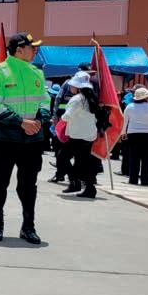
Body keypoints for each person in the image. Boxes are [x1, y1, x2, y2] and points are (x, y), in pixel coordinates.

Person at [0, 32, 51, 244]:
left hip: (32, 139)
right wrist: (21, 122)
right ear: (19, 50)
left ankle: (28, 226)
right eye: (32, 47)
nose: (35, 50)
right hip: (5, 138)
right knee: (0, 183)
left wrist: (39, 119)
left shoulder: (36, 72)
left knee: (29, 185)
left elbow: (45, 100)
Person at [60, 71, 102, 199]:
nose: (71, 87)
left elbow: (67, 116)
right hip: (89, 135)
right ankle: (88, 187)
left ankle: (75, 181)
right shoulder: (91, 98)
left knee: (62, 157)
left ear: (78, 87)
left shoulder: (77, 99)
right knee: (83, 162)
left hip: (78, 135)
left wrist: (61, 118)